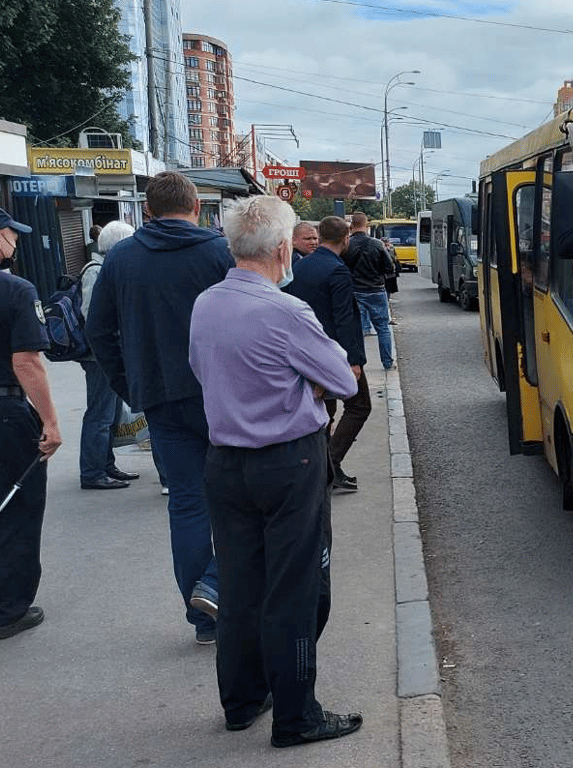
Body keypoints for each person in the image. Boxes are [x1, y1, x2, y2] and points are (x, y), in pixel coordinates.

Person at [189, 195, 362, 747]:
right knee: (295, 588)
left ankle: (241, 700)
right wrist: (303, 381)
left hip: (225, 462)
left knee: (240, 586)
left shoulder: (207, 304)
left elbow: (204, 369)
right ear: (284, 249)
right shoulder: (285, 311)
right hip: (288, 462)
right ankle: (297, 714)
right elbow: (345, 378)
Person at [86, 170, 230, 645]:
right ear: (195, 207)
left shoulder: (121, 259)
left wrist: (130, 384)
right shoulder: (217, 251)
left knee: (188, 505)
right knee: (241, 497)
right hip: (222, 395)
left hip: (161, 399)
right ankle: (216, 585)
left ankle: (204, 619)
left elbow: (99, 331)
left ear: (147, 210)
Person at [0, 204, 61, 640]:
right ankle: (7, 609)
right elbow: (27, 362)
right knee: (17, 508)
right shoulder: (14, 290)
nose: (15, 241)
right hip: (3, 413)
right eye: (11, 233)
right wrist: (51, 422)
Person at [285, 215, 367, 491]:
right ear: (345, 239)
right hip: (335, 353)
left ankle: (321, 469)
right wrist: (354, 361)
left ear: (320, 237)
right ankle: (328, 465)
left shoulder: (302, 265)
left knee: (325, 411)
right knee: (359, 406)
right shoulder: (337, 270)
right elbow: (344, 318)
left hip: (307, 350)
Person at [78, 220, 137, 490]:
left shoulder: (108, 268)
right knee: (100, 414)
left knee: (111, 414)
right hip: (98, 355)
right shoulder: (96, 270)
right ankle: (92, 471)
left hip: (110, 351)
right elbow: (93, 316)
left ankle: (106, 464)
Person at [343, 212, 397, 368]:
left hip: (355, 290)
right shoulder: (377, 244)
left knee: (356, 329)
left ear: (351, 226)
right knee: (383, 328)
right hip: (376, 290)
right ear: (367, 226)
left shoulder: (347, 244)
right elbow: (389, 267)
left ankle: (357, 364)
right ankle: (387, 362)